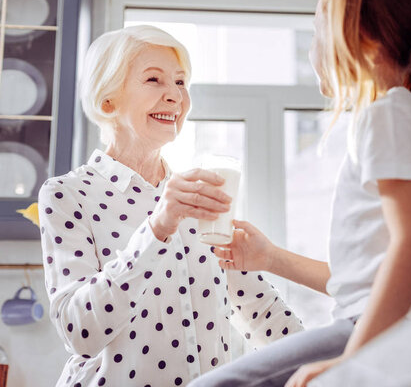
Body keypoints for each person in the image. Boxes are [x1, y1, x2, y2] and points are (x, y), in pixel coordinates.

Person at [188, 0, 411, 386]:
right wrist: (270, 258)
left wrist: (351, 359)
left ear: (362, 40)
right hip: (400, 322)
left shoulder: (383, 115)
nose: (313, 46)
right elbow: (370, 276)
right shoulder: (400, 113)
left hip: (389, 327)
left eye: (317, 31)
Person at [38, 25, 302, 387]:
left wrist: (337, 366)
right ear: (107, 101)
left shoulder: (197, 196)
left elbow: (259, 310)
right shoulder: (67, 194)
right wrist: (157, 228)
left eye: (180, 82)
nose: (175, 96)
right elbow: (79, 332)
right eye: (154, 80)